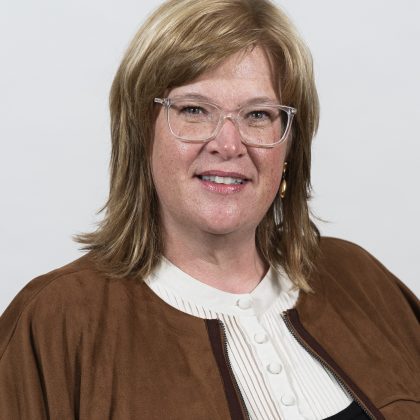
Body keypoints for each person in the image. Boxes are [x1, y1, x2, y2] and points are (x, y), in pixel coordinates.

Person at [0, 0, 418, 418]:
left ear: (290, 143)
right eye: (195, 110)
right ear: (141, 131)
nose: (229, 144)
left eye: (258, 115)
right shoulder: (59, 319)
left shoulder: (361, 280)